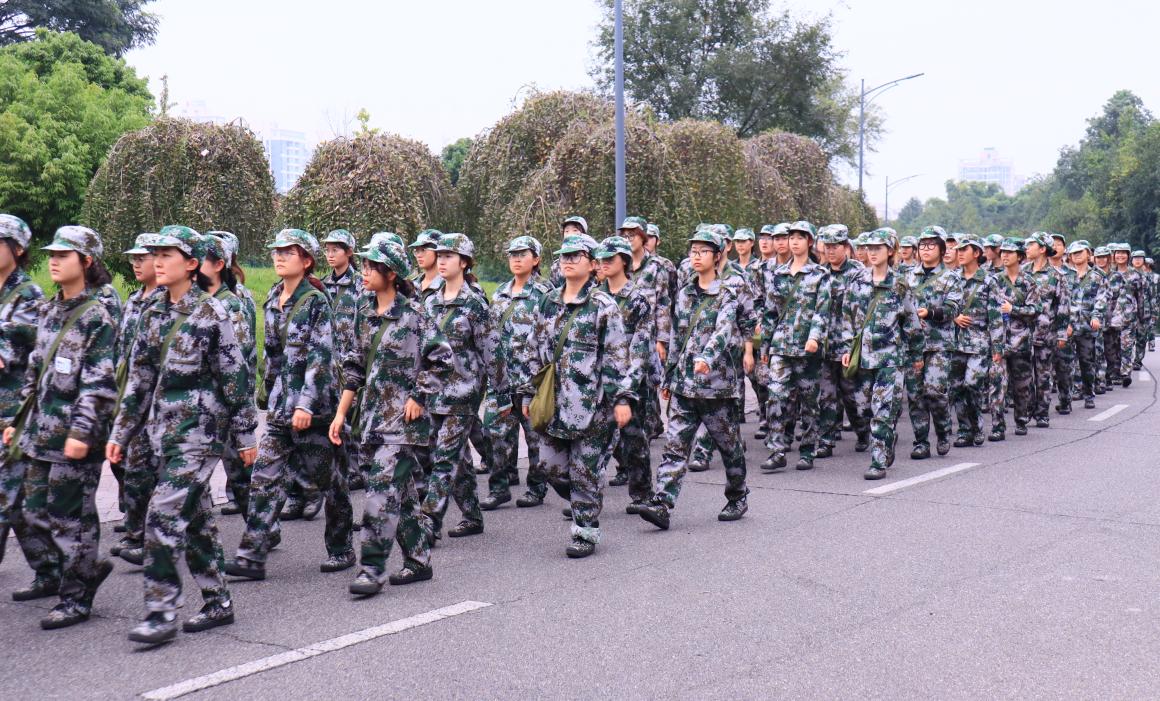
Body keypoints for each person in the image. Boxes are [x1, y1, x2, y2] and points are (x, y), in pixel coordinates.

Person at [105, 227, 257, 644]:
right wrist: (122, 431)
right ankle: (218, 600)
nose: (157, 261)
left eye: (167, 254)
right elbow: (139, 380)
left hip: (200, 435)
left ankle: (161, 611)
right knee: (197, 521)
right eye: (155, 253)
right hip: (162, 433)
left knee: (163, 516)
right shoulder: (152, 312)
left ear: (191, 264)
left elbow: (236, 380)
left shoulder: (212, 315)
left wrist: (246, 436)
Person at [3, 225, 117, 629]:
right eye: (51, 254)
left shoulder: (97, 317)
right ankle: (83, 568)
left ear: (86, 262)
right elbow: (34, 373)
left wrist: (81, 434)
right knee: (32, 511)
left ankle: (76, 597)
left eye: (63, 255)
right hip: (40, 432)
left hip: (74, 437)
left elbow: (98, 385)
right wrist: (18, 422)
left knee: (73, 519)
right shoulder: (50, 311)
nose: (53, 261)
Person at [226, 229, 355, 581]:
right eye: (276, 252)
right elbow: (273, 355)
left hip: (316, 411)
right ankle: (252, 555)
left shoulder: (316, 302)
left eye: (288, 252)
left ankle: (341, 548)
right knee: (264, 477)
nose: (279, 257)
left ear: (306, 260)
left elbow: (320, 358)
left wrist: (306, 405)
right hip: (282, 408)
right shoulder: (272, 297)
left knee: (330, 482)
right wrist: (268, 393)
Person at [331, 239, 453, 596]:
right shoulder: (364, 312)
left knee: (380, 494)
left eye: (372, 267)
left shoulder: (415, 315)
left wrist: (419, 395)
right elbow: (354, 367)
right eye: (364, 266)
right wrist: (341, 414)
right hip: (371, 421)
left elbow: (442, 359)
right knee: (402, 495)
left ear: (391, 273)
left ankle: (372, 568)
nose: (365, 272)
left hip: (403, 425)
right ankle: (418, 560)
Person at [521, 234, 632, 558]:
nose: (568, 261)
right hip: (553, 403)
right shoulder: (547, 302)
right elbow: (533, 351)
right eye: (564, 256)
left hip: (592, 406)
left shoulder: (603, 306)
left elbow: (615, 357)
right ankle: (588, 498)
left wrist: (621, 399)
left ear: (593, 264)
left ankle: (585, 530)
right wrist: (528, 395)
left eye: (576, 256)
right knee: (550, 467)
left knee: (584, 471)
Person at [638, 229, 749, 528]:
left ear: (717, 256)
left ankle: (738, 495)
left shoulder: (726, 294)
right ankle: (662, 503)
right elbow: (677, 337)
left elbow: (723, 331)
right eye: (693, 251)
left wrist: (707, 358)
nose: (696, 257)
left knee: (729, 446)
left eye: (703, 251)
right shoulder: (685, 293)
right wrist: (669, 376)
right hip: (685, 385)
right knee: (675, 446)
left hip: (717, 387)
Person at [420, 233, 501, 540]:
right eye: (439, 256)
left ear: (464, 263)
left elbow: (491, 351)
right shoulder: (430, 302)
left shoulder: (474, 304)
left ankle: (429, 521)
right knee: (455, 458)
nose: (441, 261)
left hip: (463, 393)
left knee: (444, 458)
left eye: (449, 256)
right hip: (433, 394)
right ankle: (472, 515)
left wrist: (501, 392)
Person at [838, 230, 923, 480]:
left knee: (882, 411)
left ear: (890, 251)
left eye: (878, 248)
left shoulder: (899, 285)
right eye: (869, 248)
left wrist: (916, 354)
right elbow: (847, 316)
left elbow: (911, 321)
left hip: (890, 358)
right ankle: (888, 439)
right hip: (863, 357)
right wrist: (847, 348)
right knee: (864, 408)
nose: (872, 252)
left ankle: (878, 461)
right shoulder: (857, 281)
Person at [480, 236, 553, 510]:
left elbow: (548, 340)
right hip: (502, 380)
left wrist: (541, 381)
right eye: (513, 254)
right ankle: (499, 488)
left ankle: (536, 487)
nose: (517, 259)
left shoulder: (545, 294)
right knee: (495, 434)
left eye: (523, 254)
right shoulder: (500, 293)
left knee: (535, 438)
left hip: (530, 380)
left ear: (536, 259)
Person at [108, 233, 166, 566]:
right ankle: (138, 530)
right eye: (134, 259)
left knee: (145, 467)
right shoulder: (132, 300)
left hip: (159, 401)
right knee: (127, 464)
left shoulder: (165, 302)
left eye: (142, 258)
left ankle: (144, 536)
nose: (136, 264)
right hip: (131, 394)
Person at [759, 221, 831, 472]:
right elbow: (770, 312)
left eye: (800, 237)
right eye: (792, 238)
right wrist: (765, 346)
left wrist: (815, 338)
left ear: (810, 242)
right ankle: (777, 450)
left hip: (807, 348)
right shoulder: (778, 274)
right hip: (781, 346)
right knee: (776, 396)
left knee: (809, 401)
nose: (795, 242)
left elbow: (822, 310)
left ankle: (808, 450)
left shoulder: (820, 274)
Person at [594, 236, 654, 512]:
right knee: (594, 442)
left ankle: (642, 494)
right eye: (601, 259)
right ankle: (586, 497)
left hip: (630, 380)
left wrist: (626, 391)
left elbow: (640, 350)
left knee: (634, 439)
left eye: (610, 259)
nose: (604, 263)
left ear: (624, 261)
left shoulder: (638, 300)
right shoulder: (595, 297)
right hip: (599, 380)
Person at [0, 214, 43, 565]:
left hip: (14, 413)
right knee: (19, 502)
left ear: (17, 249)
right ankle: (54, 570)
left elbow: (7, 354)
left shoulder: (28, 295)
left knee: (5, 492)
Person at [903, 226, 961, 459]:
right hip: (912, 344)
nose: (926, 249)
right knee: (915, 395)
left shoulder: (950, 277)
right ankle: (921, 442)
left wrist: (930, 312)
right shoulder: (908, 276)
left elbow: (953, 308)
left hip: (939, 344)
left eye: (931, 245)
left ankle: (944, 431)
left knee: (934, 390)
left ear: (941, 249)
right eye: (922, 245)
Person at [817, 225, 868, 458]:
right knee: (826, 394)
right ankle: (826, 440)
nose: (830, 251)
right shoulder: (820, 273)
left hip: (850, 344)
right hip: (825, 344)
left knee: (851, 394)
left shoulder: (858, 273)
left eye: (835, 246)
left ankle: (863, 431)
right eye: (827, 246)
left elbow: (862, 308)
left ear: (846, 247)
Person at [950, 235, 1004, 448]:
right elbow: (944, 305)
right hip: (955, 341)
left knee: (972, 384)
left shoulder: (989, 281)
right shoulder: (953, 278)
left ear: (977, 253)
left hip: (979, 342)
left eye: (965, 249)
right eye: (958, 250)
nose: (960, 253)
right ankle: (964, 430)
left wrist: (997, 346)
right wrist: (954, 316)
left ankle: (977, 425)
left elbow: (996, 316)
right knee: (956, 388)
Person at [991, 238, 1041, 440]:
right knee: (997, 383)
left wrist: (1013, 309)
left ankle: (1021, 420)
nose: (1004, 255)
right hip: (998, 341)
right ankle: (997, 426)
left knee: (1021, 385)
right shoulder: (994, 281)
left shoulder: (1029, 282)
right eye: (1003, 252)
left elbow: (1035, 310)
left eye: (1009, 252)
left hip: (1021, 342)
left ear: (1019, 256)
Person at [1066, 241, 1106, 409]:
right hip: (1068, 327)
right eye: (1073, 253)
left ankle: (1089, 394)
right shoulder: (1065, 275)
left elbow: (1101, 298)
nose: (1076, 255)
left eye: (1080, 252)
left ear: (1089, 254)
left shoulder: (1097, 276)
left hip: (1087, 327)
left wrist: (1096, 316)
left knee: (1086, 362)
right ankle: (1068, 396)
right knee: (1066, 363)